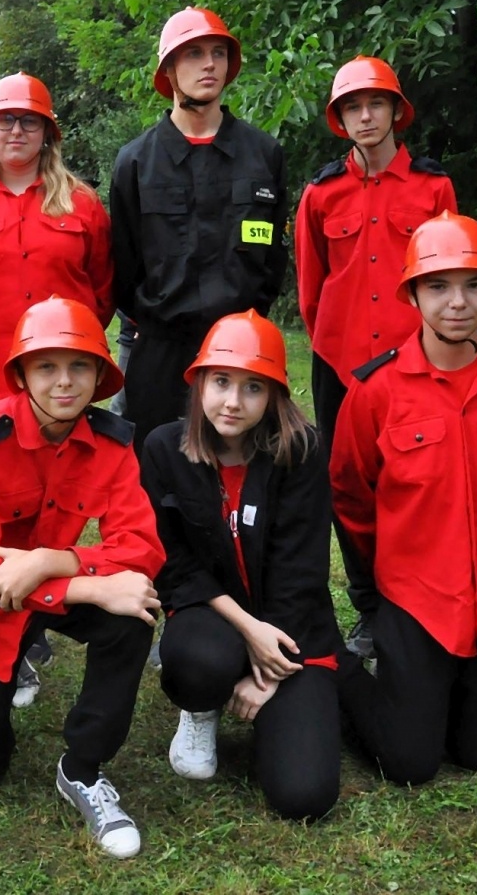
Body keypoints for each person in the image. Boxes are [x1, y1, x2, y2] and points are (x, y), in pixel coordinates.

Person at [0, 296, 165, 859]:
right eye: (46, 366)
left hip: (41, 592)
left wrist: (55, 560)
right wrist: (91, 583)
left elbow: (141, 545)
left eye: (80, 366)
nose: (65, 382)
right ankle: (13, 659)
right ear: (22, 374)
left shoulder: (114, 441)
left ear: (101, 373)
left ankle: (82, 767)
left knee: (132, 610)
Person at [331, 212, 477, 786]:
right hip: (416, 600)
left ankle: (450, 683)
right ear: (413, 293)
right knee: (409, 764)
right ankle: (339, 670)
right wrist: (377, 593)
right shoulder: (375, 390)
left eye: (474, 284)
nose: (458, 302)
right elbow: (351, 495)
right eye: (438, 286)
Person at [140, 310, 341, 819]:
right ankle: (202, 706)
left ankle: (303, 698)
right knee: (198, 662)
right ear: (199, 382)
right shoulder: (164, 448)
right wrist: (249, 630)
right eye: (222, 382)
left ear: (274, 395)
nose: (233, 401)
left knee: (303, 796)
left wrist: (270, 672)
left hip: (291, 627)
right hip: (215, 618)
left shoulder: (302, 449)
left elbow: (303, 568)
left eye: (253, 387)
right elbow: (172, 563)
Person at [295, 55, 459, 660]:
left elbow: (447, 276)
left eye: (375, 104)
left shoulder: (434, 188)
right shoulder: (319, 193)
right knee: (346, 485)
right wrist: (332, 346)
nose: (365, 116)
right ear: (341, 119)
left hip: (414, 362)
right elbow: (311, 286)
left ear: (396, 112)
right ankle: (368, 606)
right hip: (340, 366)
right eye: (352, 108)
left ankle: (415, 600)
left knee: (416, 479)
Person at [110, 7, 290, 453]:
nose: (208, 64)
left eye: (217, 53)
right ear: (168, 70)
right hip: (161, 353)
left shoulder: (263, 155)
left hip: (244, 351)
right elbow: (123, 265)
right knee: (156, 482)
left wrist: (246, 315)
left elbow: (273, 255)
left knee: (244, 477)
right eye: (192, 54)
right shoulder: (135, 162)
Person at [0, 73, 113, 423]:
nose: (16, 130)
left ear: (47, 134)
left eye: (29, 121)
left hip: (63, 375)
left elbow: (102, 288)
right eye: (5, 119)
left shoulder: (82, 203)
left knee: (66, 473)